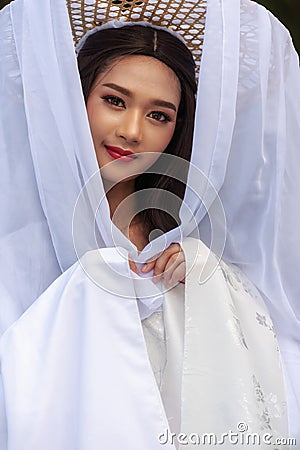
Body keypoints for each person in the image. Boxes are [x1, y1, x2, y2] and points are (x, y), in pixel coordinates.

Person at [0, 0, 299, 448]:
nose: (132, 130)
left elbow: (277, 345)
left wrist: (203, 275)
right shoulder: (18, 243)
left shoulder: (188, 236)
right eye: (114, 101)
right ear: (71, 101)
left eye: (159, 115)